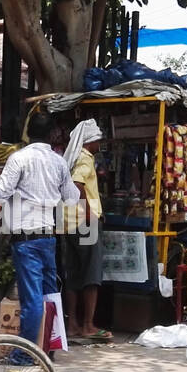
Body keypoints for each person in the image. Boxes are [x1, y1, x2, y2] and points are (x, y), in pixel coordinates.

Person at [0, 111, 79, 361]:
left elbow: (0, 193)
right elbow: (72, 197)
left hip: (26, 239)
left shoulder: (19, 159)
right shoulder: (59, 162)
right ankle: (48, 349)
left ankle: (25, 355)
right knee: (50, 295)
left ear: (28, 133)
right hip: (48, 237)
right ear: (52, 134)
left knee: (31, 300)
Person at [60, 118, 110, 341]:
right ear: (90, 141)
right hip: (84, 223)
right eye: (98, 139)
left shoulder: (70, 158)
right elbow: (78, 185)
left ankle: (72, 325)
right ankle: (88, 325)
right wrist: (89, 211)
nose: (100, 143)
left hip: (68, 223)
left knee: (73, 275)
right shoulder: (85, 159)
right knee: (91, 275)